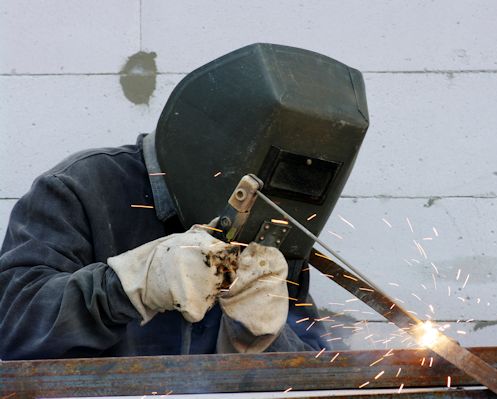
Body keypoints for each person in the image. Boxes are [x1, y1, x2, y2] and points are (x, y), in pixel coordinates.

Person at [0, 43, 369, 360]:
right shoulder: (80, 189)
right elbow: (12, 326)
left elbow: (314, 366)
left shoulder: (271, 229)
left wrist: (263, 339)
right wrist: (124, 286)